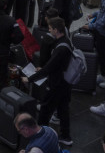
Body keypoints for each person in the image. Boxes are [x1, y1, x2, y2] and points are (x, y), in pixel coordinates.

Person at [23, 17, 73, 146]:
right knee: (63, 109)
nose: (49, 30)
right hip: (65, 83)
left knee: (45, 109)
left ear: (56, 30)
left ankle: (41, 136)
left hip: (57, 83)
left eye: (50, 28)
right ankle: (66, 136)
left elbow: (48, 69)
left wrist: (29, 78)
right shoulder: (66, 41)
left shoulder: (60, 48)